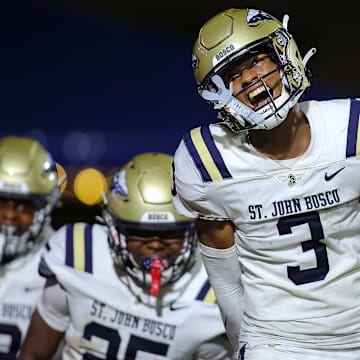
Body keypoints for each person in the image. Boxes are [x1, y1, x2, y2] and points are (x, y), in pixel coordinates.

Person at [171, 6, 360, 359]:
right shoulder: (206, 162)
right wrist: (244, 348)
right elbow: (226, 281)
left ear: (285, 54)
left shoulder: (352, 128)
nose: (248, 81)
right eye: (231, 75)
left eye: (257, 60)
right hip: (278, 341)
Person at [18, 152, 235, 360]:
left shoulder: (213, 295)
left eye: (171, 234)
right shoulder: (78, 256)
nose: (155, 246)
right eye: (141, 233)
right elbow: (35, 354)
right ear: (113, 229)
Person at [0, 135, 62, 359]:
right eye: (1, 202)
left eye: (23, 206)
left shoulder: (61, 264)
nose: (8, 215)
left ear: (44, 207)